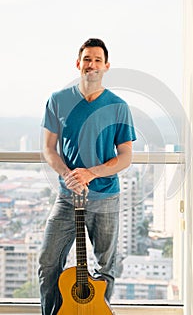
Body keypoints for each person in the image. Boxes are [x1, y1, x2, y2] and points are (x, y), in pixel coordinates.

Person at [38, 38, 136, 314]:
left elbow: (126, 156)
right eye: (87, 59)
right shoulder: (58, 100)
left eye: (97, 60)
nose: (91, 64)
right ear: (78, 63)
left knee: (106, 266)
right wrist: (70, 176)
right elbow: (48, 149)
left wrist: (91, 173)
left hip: (105, 197)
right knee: (48, 262)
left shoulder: (118, 106)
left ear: (106, 66)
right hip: (68, 196)